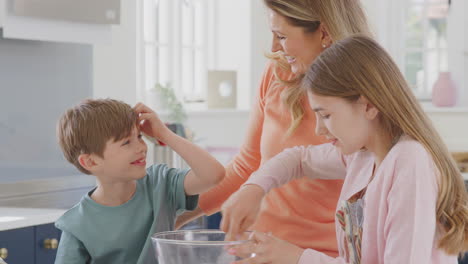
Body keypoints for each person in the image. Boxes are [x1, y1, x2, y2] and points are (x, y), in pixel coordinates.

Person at [221, 35, 468, 264]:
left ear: (368, 105)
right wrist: (254, 188)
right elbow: (298, 159)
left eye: (326, 115)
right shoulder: (362, 156)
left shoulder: (409, 162)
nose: (319, 129)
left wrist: (298, 257)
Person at [176, 0, 373, 256]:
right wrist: (176, 216)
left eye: (281, 36)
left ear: (324, 32)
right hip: (259, 250)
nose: (273, 48)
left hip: (325, 257)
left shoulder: (367, 99)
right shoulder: (278, 74)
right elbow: (248, 165)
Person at [54, 99, 225, 264]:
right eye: (127, 142)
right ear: (91, 162)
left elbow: (213, 175)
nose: (141, 147)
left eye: (140, 137)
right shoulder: (76, 225)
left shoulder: (161, 183)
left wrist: (163, 134)